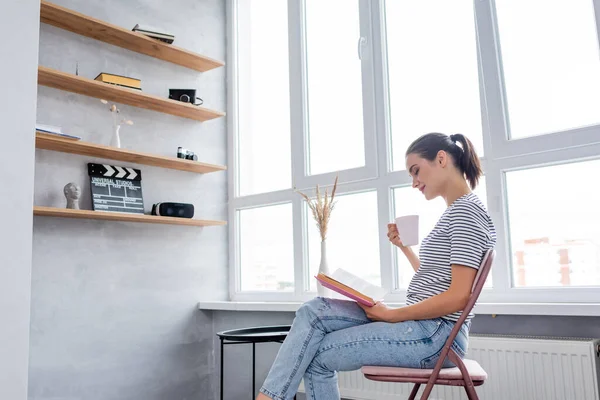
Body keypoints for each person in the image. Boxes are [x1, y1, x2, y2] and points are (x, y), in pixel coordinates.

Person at [256, 132, 497, 400]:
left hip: (435, 336)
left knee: (316, 355)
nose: (414, 182)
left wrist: (392, 315)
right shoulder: (458, 211)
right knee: (313, 310)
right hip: (428, 328)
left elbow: (459, 296)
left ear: (441, 159)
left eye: (416, 171)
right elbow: (437, 282)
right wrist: (404, 248)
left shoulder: (466, 212)